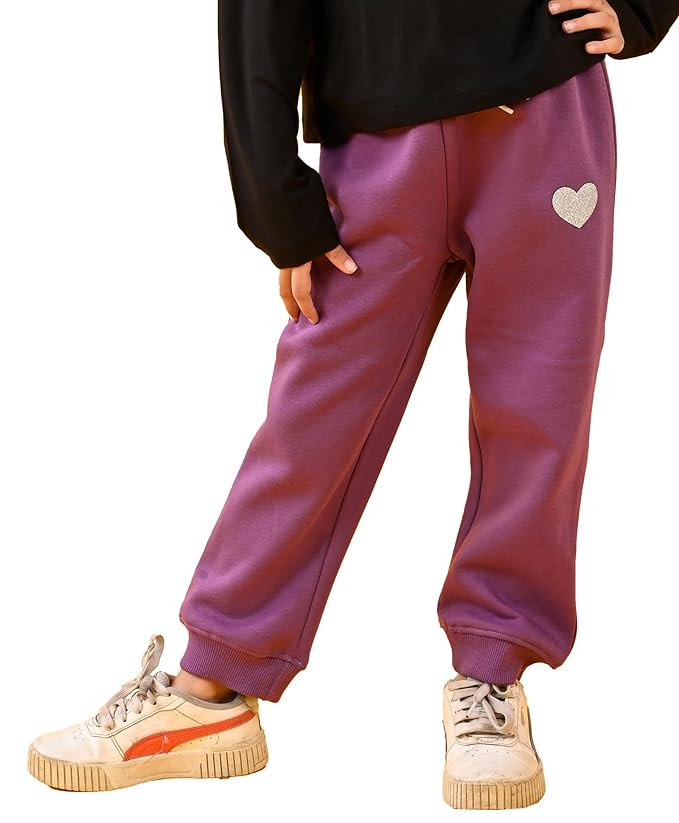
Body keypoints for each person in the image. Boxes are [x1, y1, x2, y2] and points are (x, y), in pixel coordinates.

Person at [27, 0, 677, 810]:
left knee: (538, 408)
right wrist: (273, 195)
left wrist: (642, 7)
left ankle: (492, 673)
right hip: (376, 139)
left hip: (546, 114)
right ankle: (211, 686)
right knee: (313, 417)